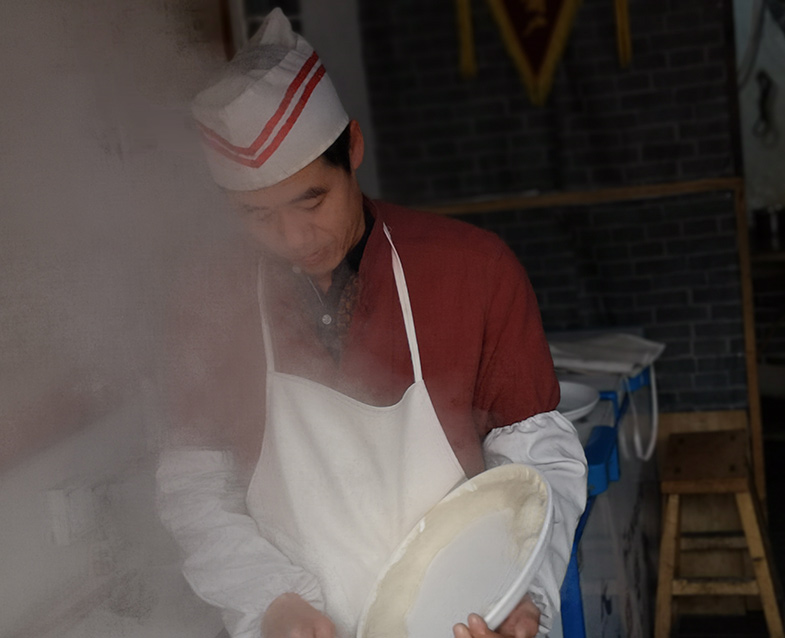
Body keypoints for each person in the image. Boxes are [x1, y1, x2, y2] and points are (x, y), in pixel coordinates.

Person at [156, 8, 587, 638]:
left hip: (467, 619)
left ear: (353, 148)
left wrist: (522, 591)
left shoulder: (471, 269)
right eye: (258, 216)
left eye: (311, 200)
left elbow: (538, 459)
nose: (294, 237)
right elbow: (194, 488)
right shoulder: (211, 304)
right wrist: (269, 600)